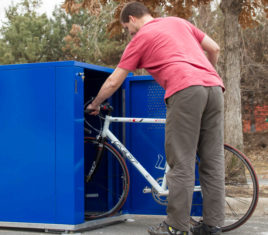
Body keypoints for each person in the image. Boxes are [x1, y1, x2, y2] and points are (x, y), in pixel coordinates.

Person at [86, 1, 225, 235]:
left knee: (181, 162)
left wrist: (95, 103)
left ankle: (176, 226)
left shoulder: (140, 39)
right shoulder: (178, 22)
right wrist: (205, 75)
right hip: (214, 88)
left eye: (127, 28)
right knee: (212, 161)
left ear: (131, 19)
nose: (128, 33)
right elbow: (215, 49)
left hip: (185, 90)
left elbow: (114, 81)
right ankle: (213, 225)